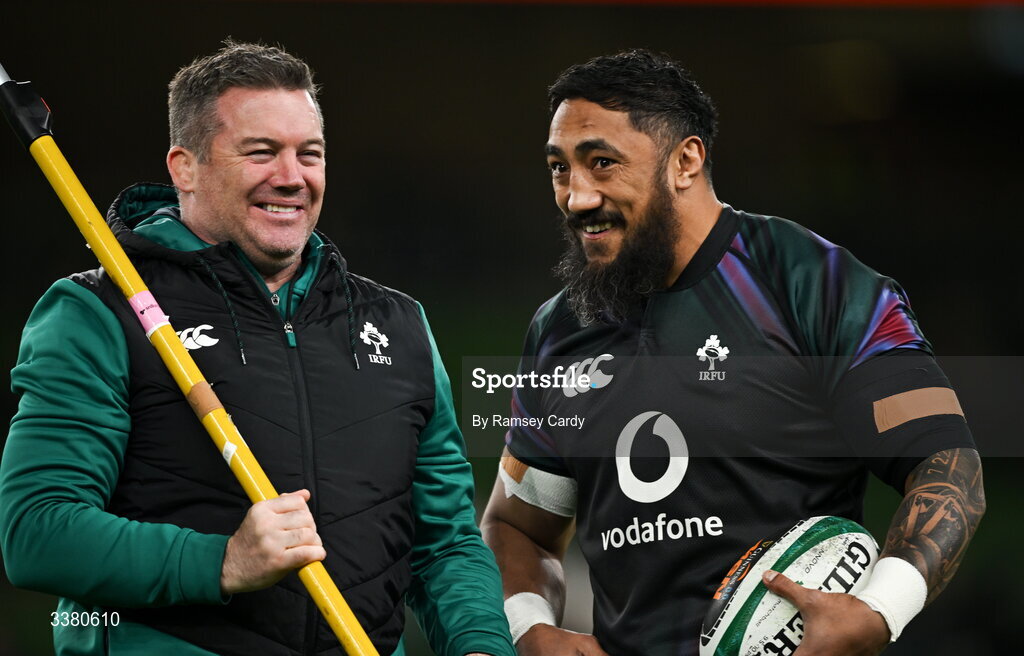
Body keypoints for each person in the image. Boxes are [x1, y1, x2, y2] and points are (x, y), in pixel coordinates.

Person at [0, 41, 514, 656]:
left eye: (310, 154)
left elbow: (446, 543)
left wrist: (481, 643)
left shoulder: (399, 323)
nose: (291, 177)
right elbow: (36, 532)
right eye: (261, 152)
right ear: (185, 167)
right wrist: (221, 562)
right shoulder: (97, 312)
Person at [480, 50, 985, 656]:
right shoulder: (562, 329)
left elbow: (949, 465)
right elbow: (518, 525)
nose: (576, 197)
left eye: (602, 164)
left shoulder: (810, 283)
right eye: (560, 169)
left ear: (685, 161)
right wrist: (530, 627)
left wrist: (879, 610)